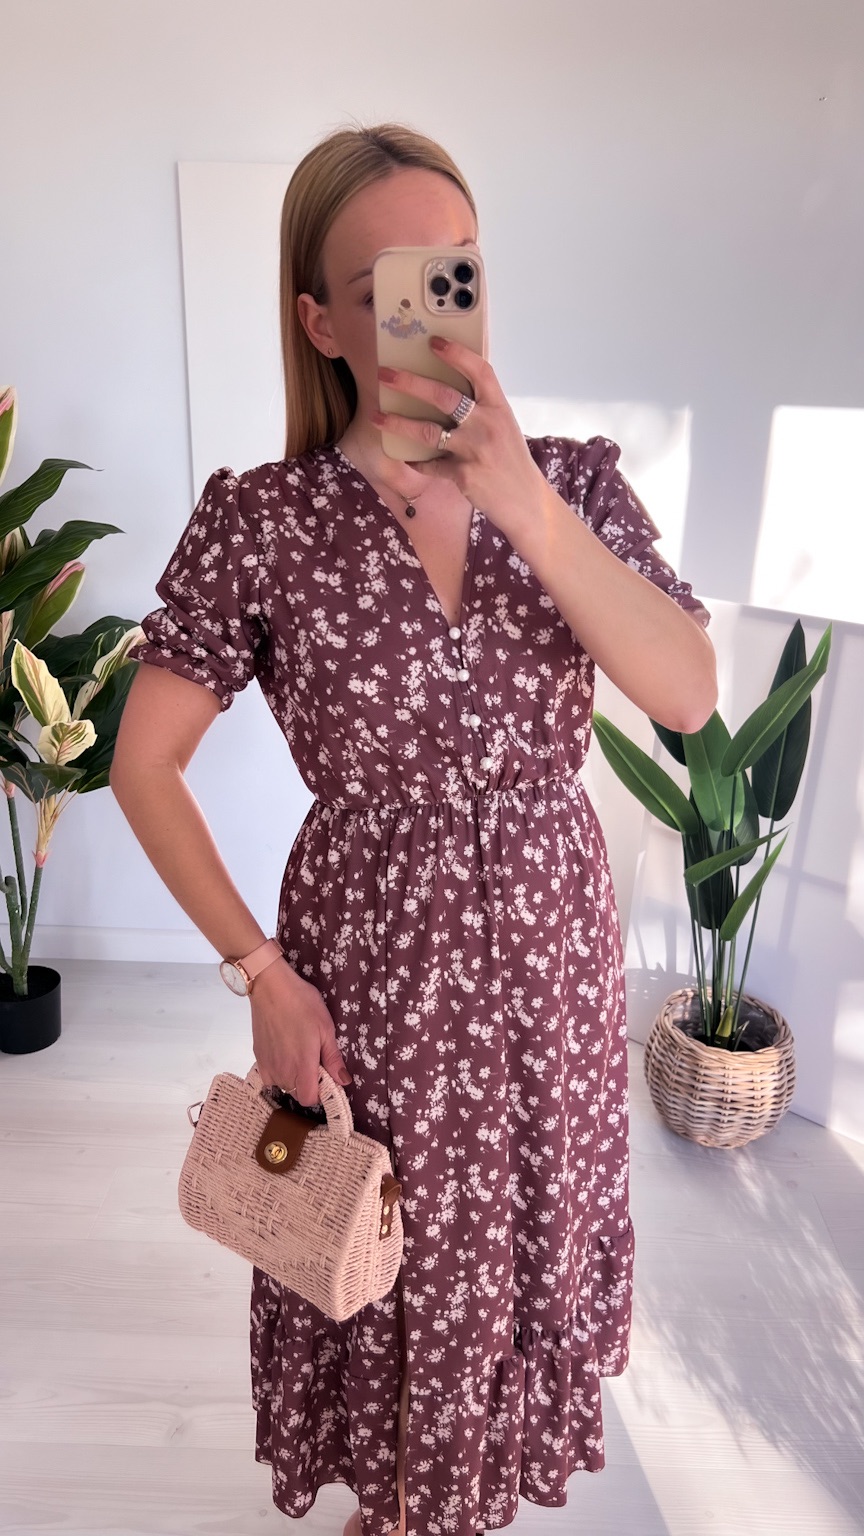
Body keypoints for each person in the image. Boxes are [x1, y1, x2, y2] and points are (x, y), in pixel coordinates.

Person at [112, 122, 716, 1536]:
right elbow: (144, 766)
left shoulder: (574, 482)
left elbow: (689, 693)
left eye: (457, 272)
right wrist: (262, 974)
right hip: (373, 971)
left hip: (553, 969)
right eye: (388, 283)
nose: (433, 310)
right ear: (321, 321)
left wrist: (524, 506)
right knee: (387, 1240)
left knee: (525, 1236)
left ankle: (451, 1498)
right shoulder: (263, 521)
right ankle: (398, 1502)